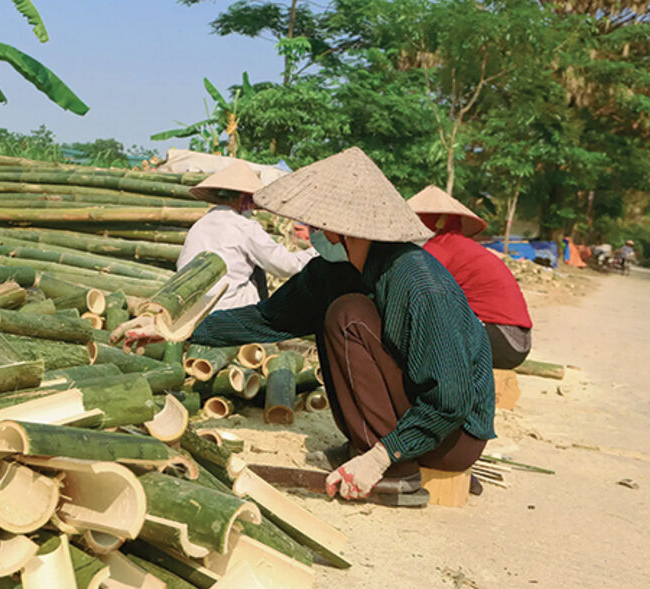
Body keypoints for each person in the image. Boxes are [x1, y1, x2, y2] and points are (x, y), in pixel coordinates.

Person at [113, 148, 495, 501]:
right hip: (419, 420)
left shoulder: (416, 281)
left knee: (348, 316)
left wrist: (382, 456)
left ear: (337, 229)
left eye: (314, 224)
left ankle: (397, 468)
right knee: (338, 312)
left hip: (452, 436)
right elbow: (267, 317)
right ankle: (368, 443)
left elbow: (450, 400)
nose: (310, 232)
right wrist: (178, 328)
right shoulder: (334, 273)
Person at [407, 186, 532, 369]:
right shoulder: (456, 245)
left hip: (503, 340)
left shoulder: (440, 248)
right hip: (518, 341)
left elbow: (417, 292)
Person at [178, 161, 317, 312]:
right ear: (243, 198)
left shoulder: (199, 226)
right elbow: (286, 266)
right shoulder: (244, 227)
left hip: (191, 312)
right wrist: (317, 252)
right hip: (228, 311)